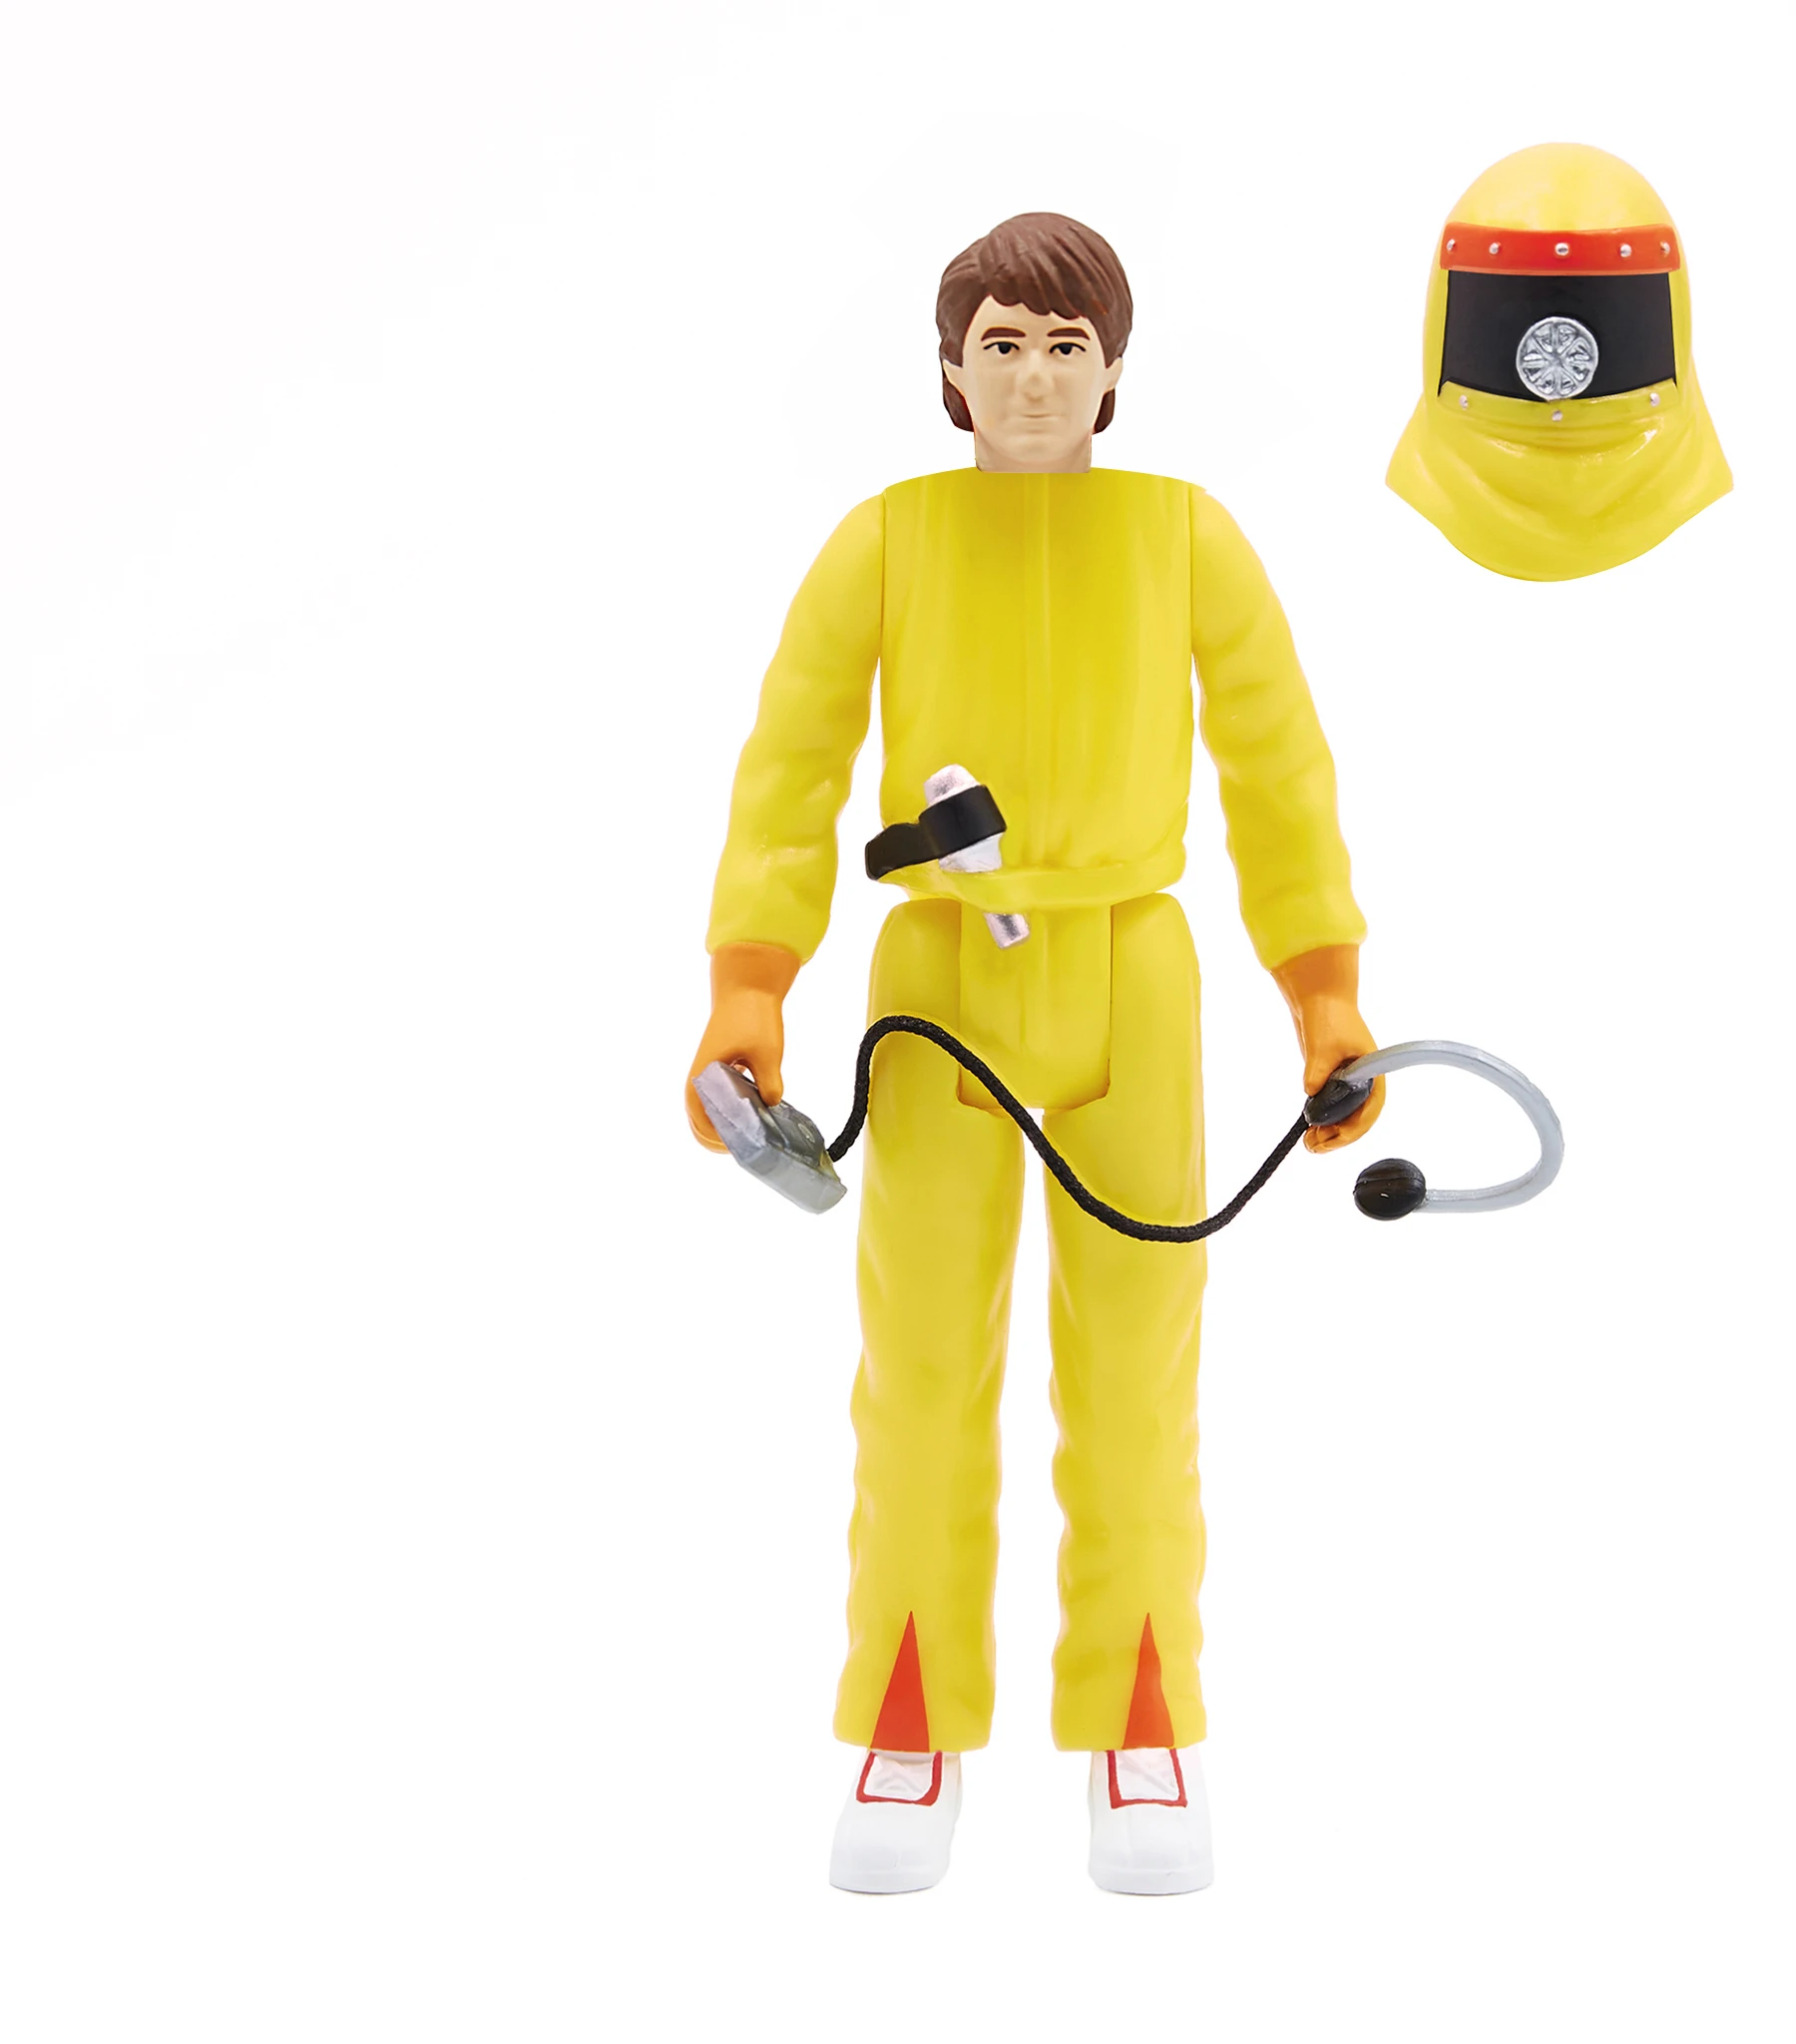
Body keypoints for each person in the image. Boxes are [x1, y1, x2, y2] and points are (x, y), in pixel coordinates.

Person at [689, 213, 1383, 1894]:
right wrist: (751, 983)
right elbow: (790, 767)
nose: (1031, 378)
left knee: (1139, 1364)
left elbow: (1277, 766)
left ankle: (1141, 1715)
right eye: (1000, 345)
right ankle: (908, 1715)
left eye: (1065, 348)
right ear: (950, 370)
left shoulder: (1187, 536)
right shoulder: (886, 539)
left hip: (1132, 973)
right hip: (937, 978)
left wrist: (1322, 989)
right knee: (922, 1362)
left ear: (1114, 370)